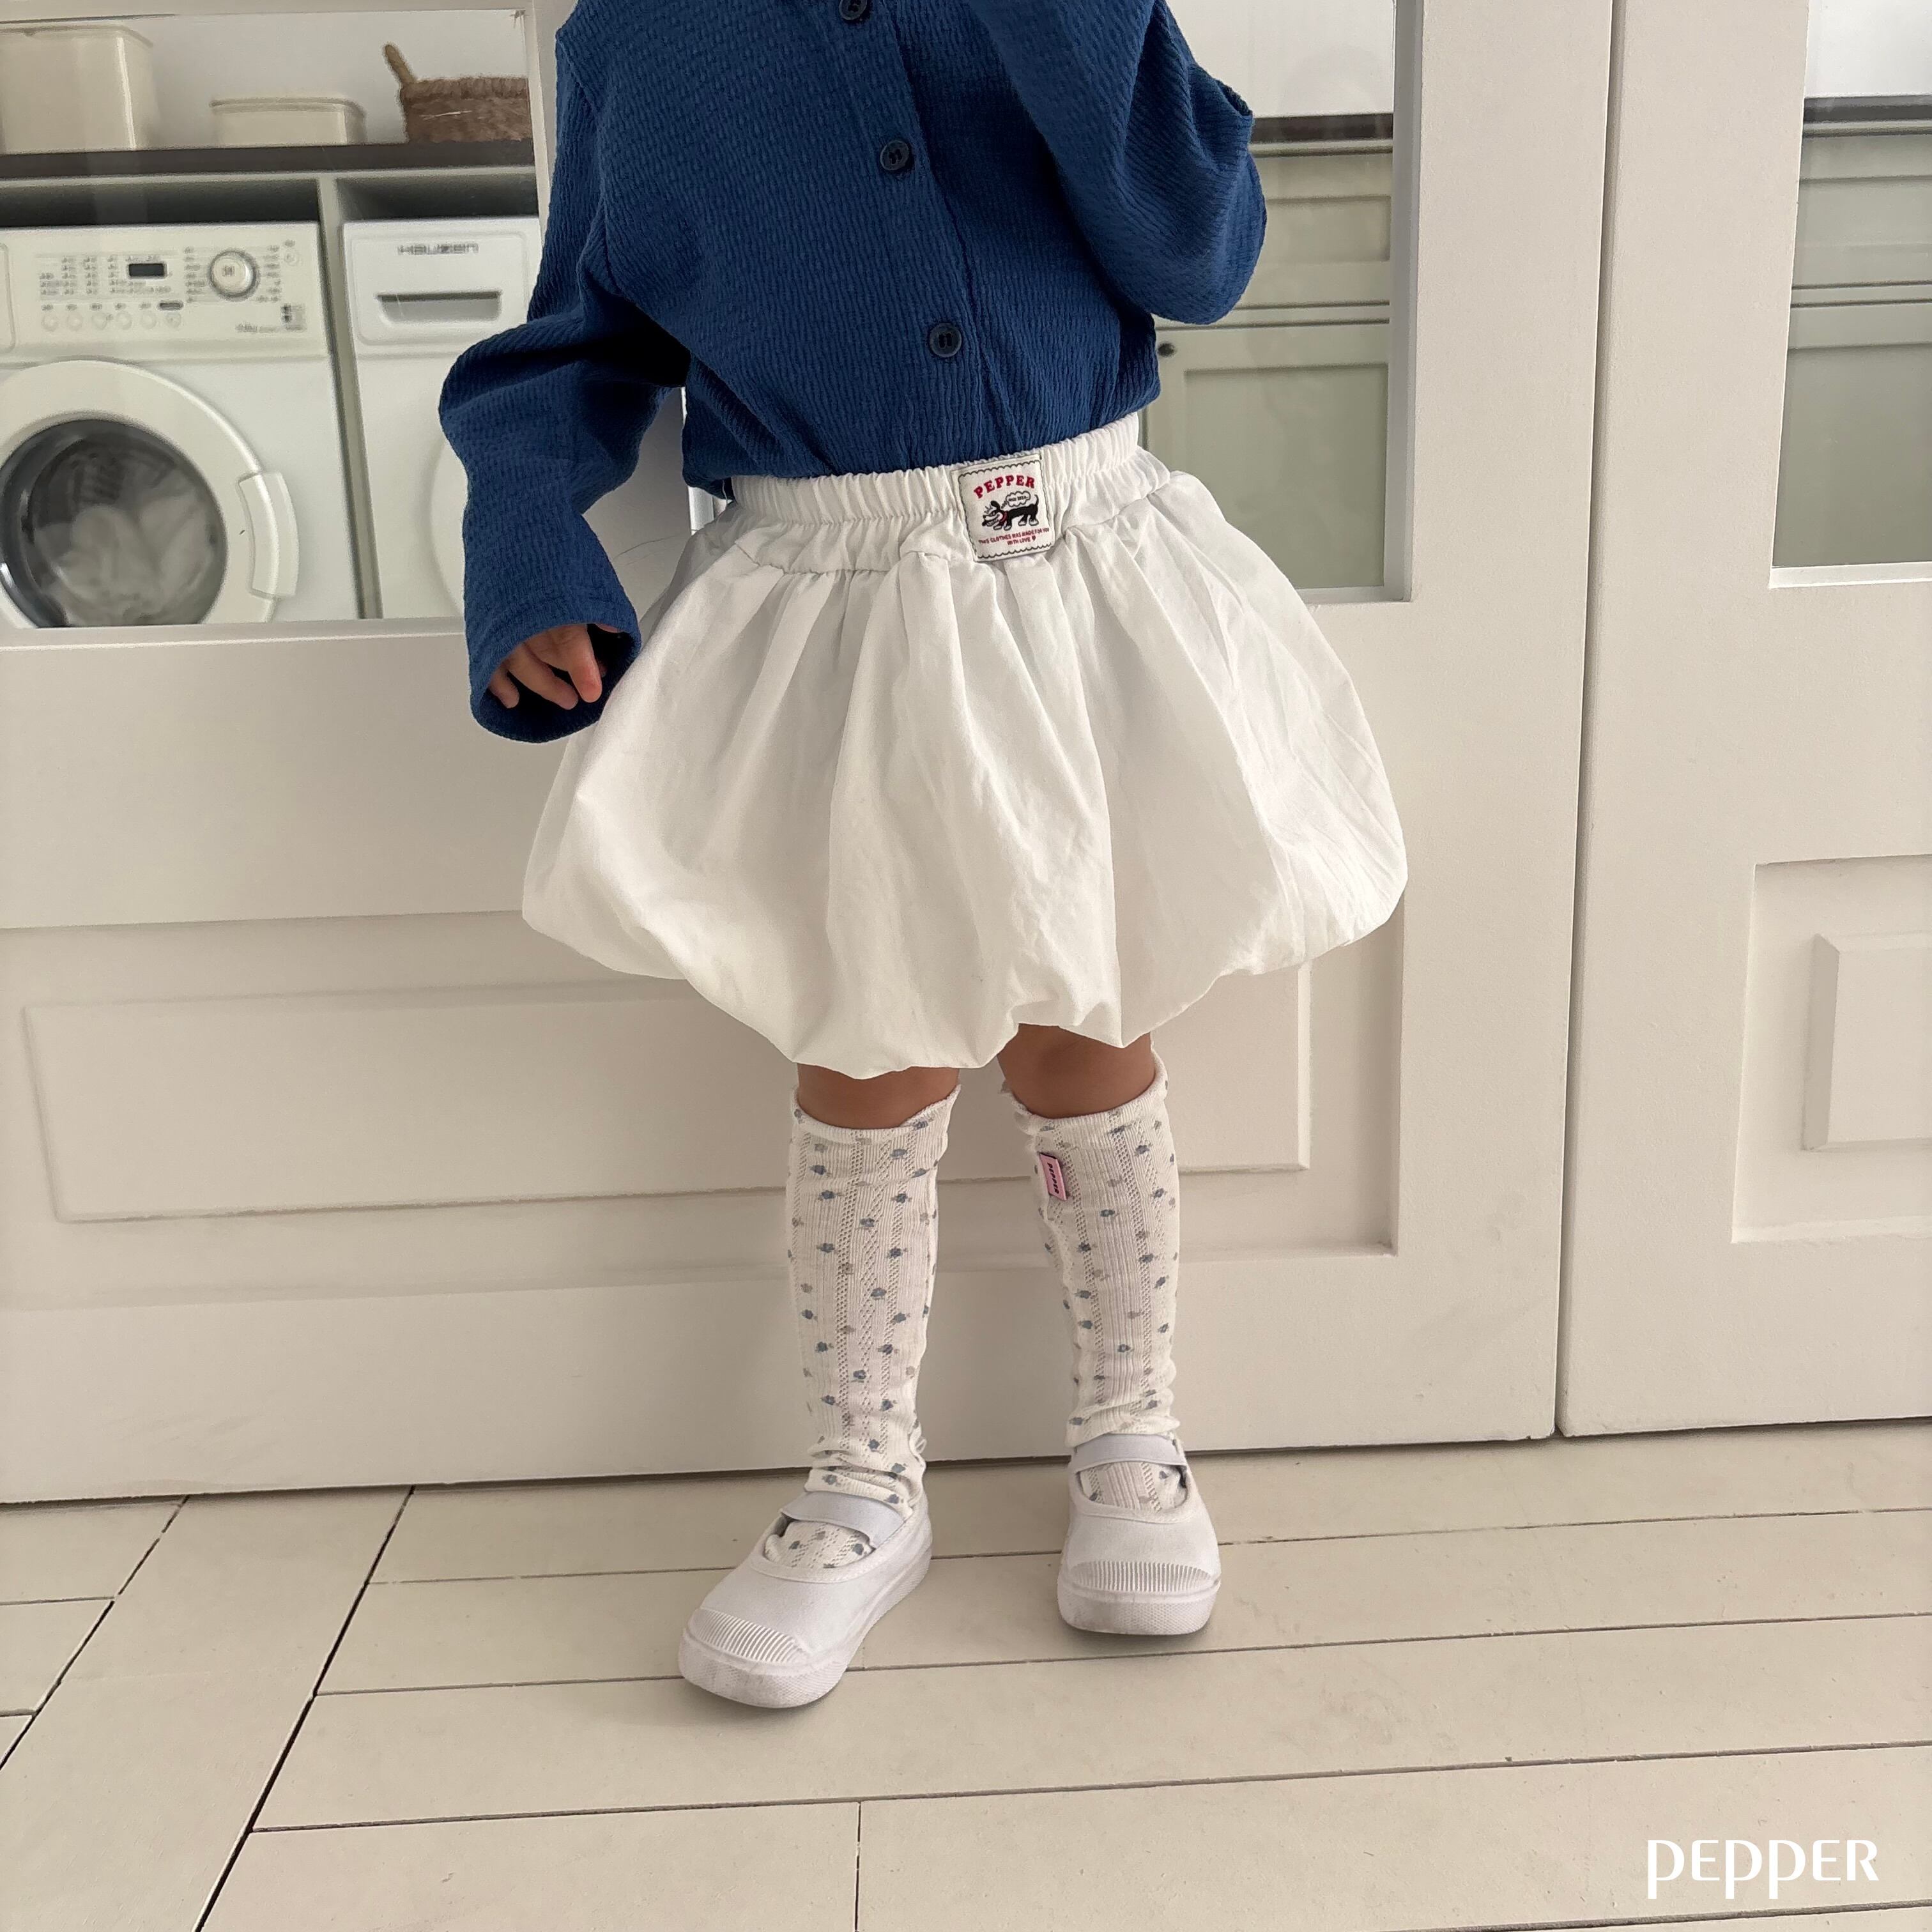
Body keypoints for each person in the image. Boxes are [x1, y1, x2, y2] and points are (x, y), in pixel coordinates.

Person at [439, 0, 1407, 1710]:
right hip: (837, 614)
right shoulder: (642, 41)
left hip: (1089, 580)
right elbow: (575, 342)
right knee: (868, 1044)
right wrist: (529, 553)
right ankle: (861, 1477)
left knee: (1089, 1025)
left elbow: (1200, 253)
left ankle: (1131, 1432)